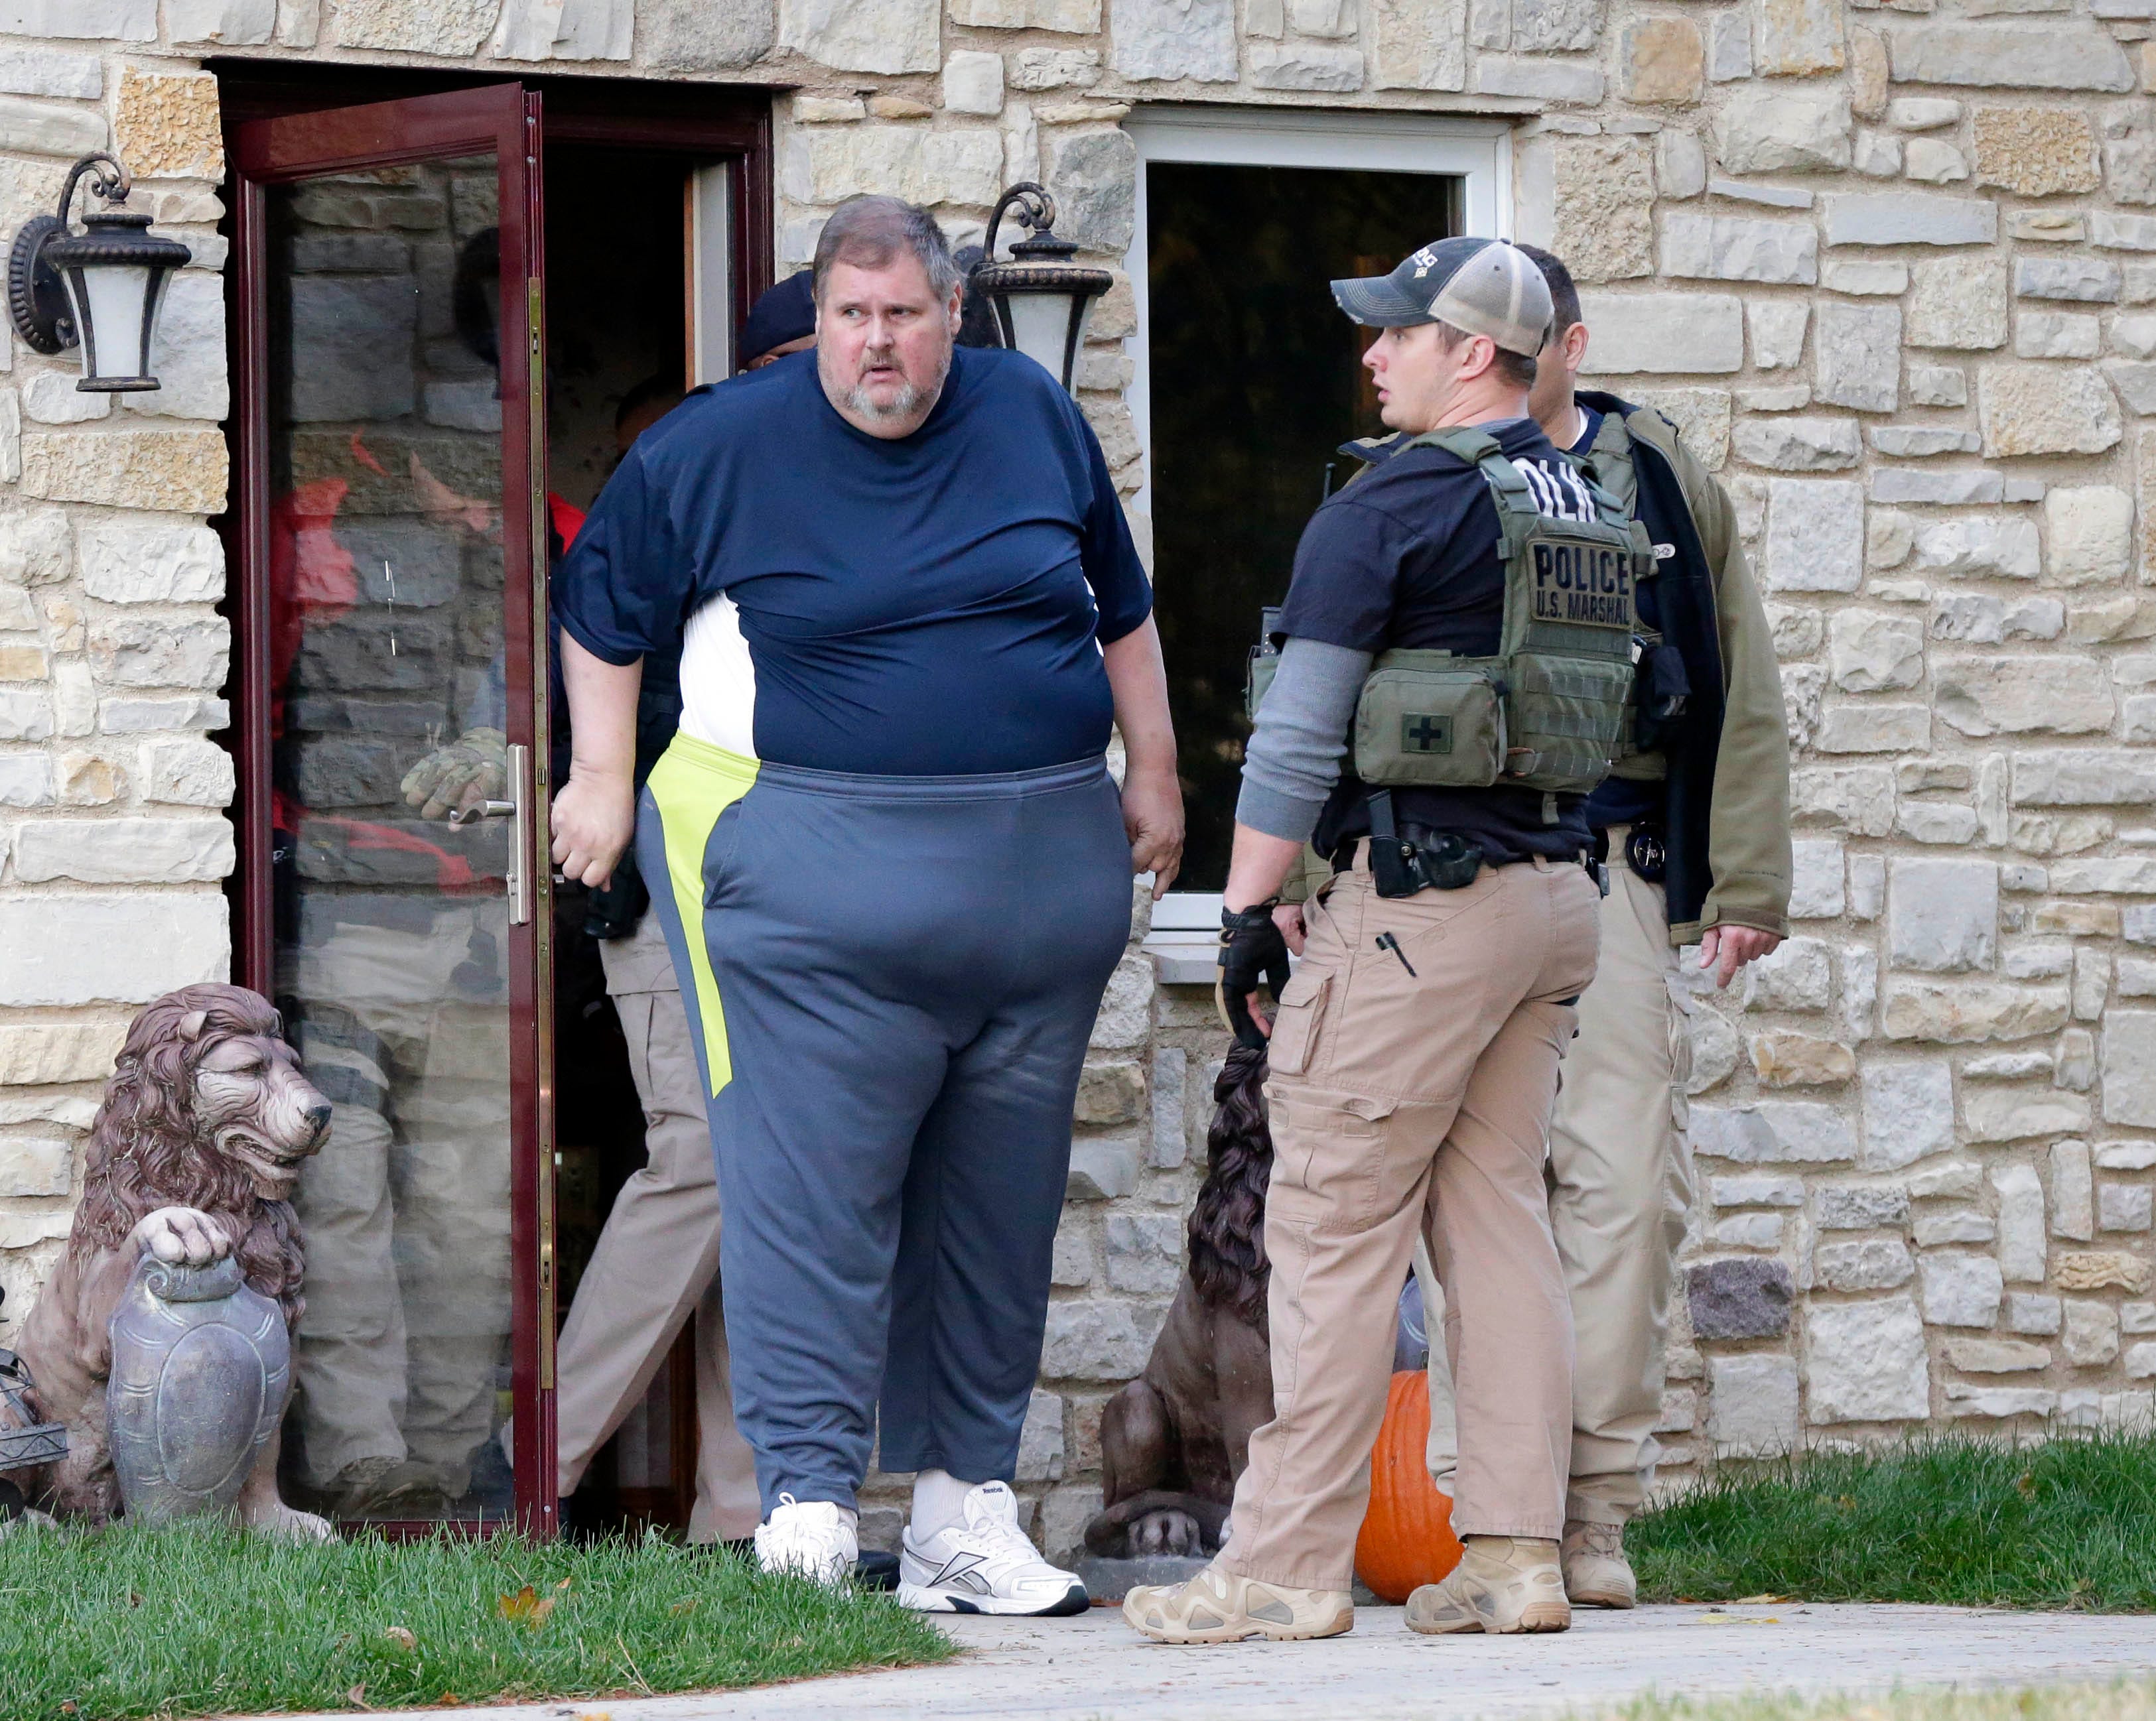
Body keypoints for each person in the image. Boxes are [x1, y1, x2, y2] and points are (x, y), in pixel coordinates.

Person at [549, 195, 1183, 1615]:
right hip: (813, 895)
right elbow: (600, 605)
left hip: (1038, 891)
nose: (877, 343)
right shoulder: (717, 446)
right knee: (805, 1197)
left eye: (903, 314)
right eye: (851, 316)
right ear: (817, 321)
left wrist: (1154, 766)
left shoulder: (1030, 413)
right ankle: (808, 1508)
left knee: (1000, 1213)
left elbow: (1119, 604)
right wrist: (599, 778)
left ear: (953, 312)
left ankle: (964, 1508)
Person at [1125, 237, 1623, 1645]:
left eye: (1398, 331)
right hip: (1548, 897)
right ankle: (1518, 1550)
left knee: (1330, 1227)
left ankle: (1282, 1562)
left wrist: (1240, 906)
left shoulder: (1393, 501)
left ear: (1472, 355)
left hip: (1420, 913)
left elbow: (1290, 735)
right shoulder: (1571, 498)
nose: (1370, 352)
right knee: (1499, 1223)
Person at [1419, 244, 1789, 1608]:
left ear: (1566, 343)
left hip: (1620, 865)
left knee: (1622, 1191)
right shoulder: (1424, 471)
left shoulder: (1662, 477)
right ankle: (1485, 1513)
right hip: (1464, 869)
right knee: (1475, 1197)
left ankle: (1593, 1507)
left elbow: (1739, 679)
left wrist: (1740, 879)